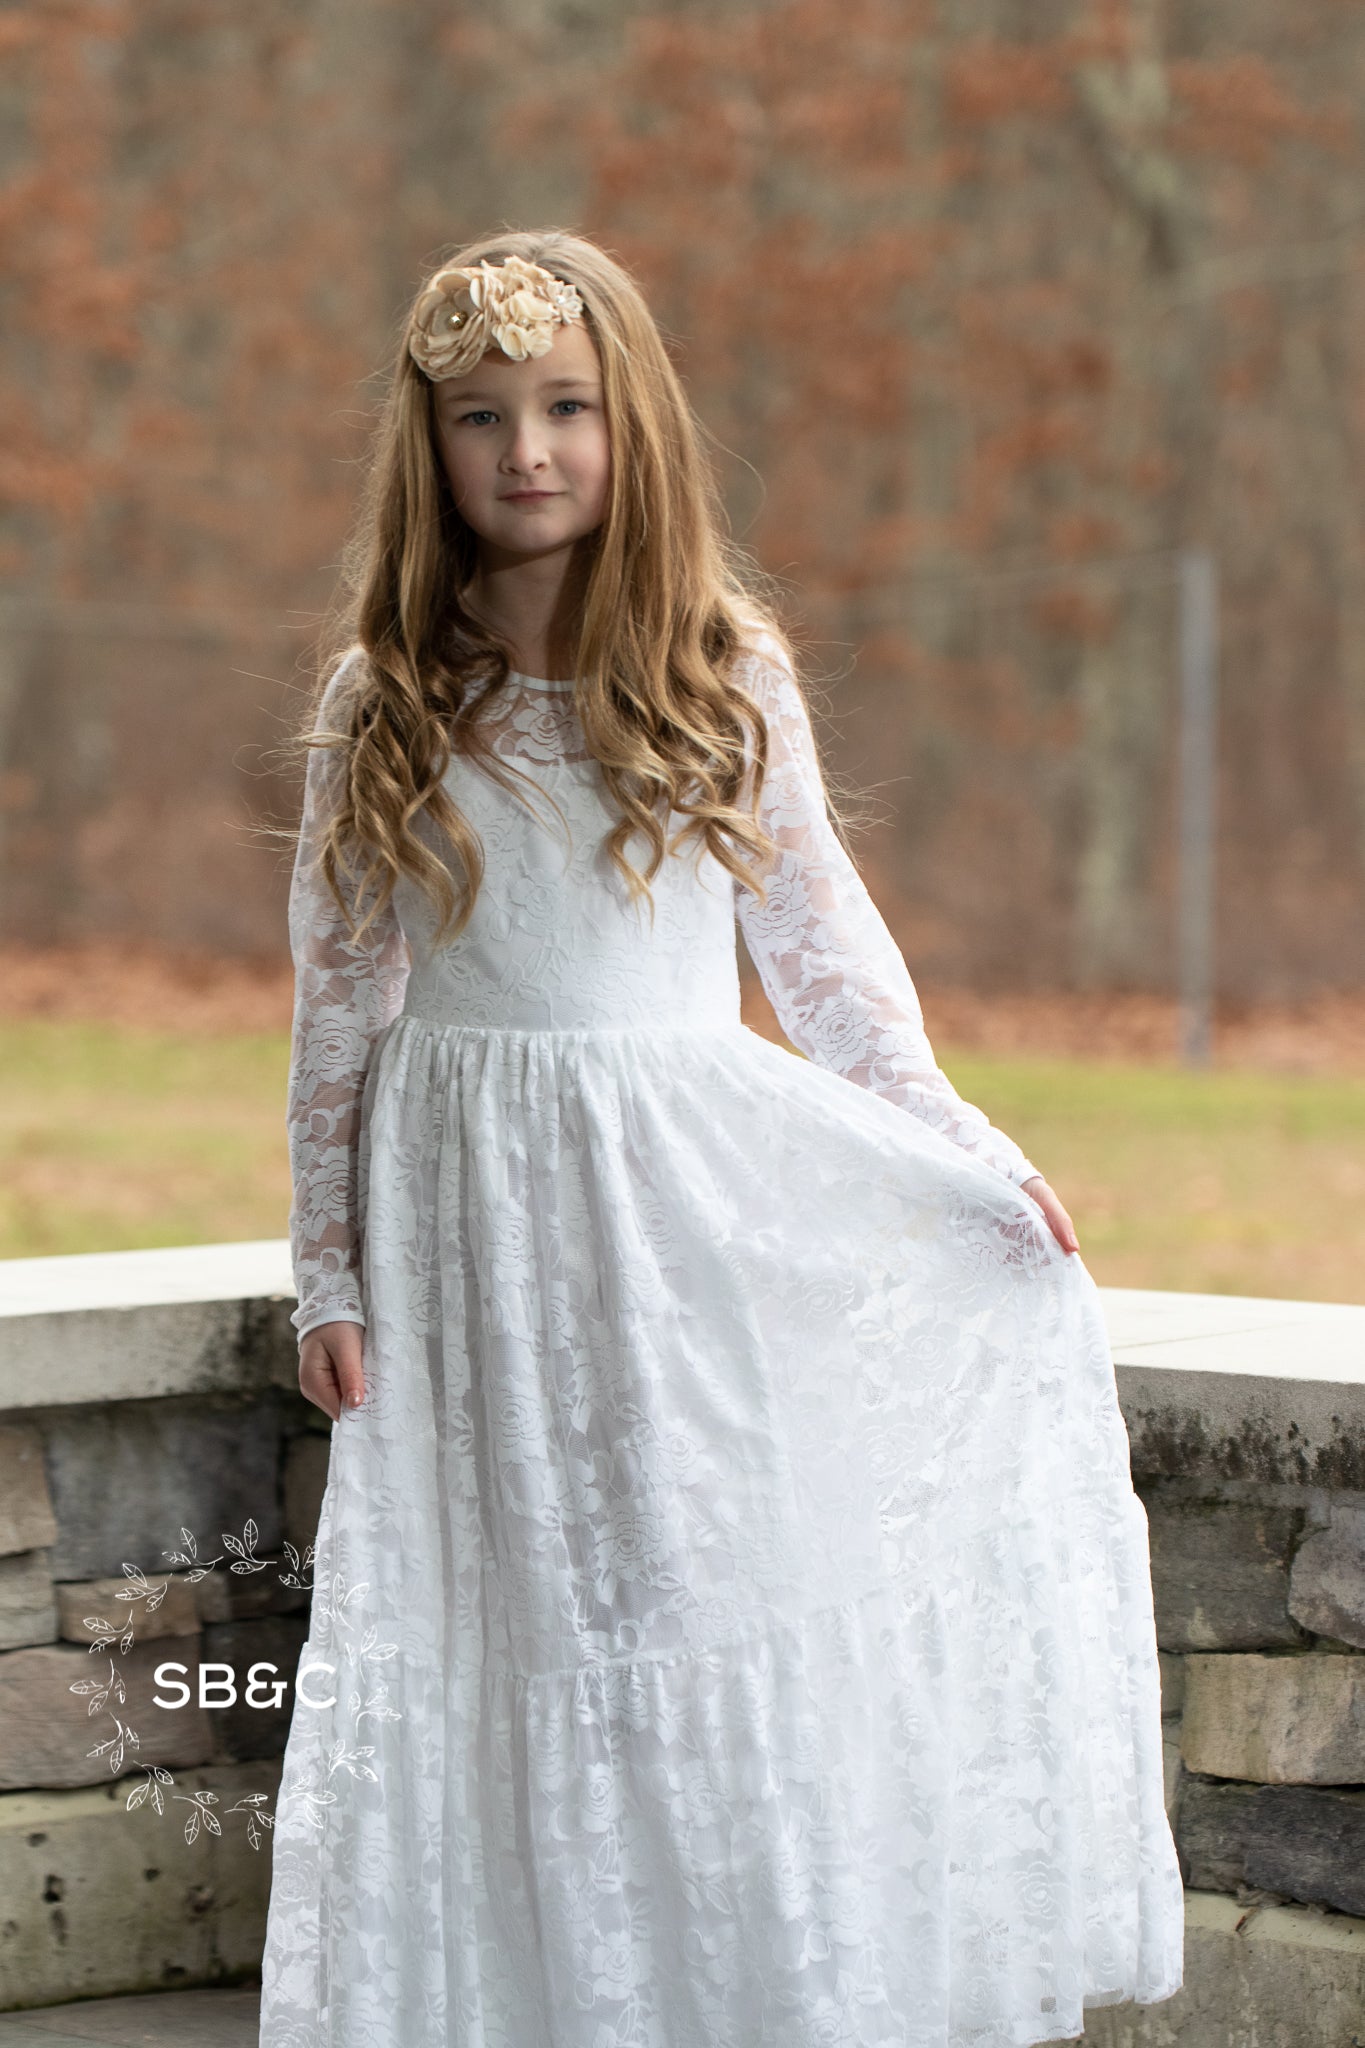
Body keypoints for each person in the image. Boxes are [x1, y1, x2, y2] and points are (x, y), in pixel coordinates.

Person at [258, 228, 1184, 2048]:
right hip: (457, 1224)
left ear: (632, 426)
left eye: (567, 410)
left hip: (665, 1202)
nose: (526, 452)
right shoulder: (386, 702)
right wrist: (325, 1266)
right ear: (426, 445)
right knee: (493, 1612)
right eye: (479, 417)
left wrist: (954, 1142)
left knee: (672, 1582)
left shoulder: (711, 665)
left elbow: (823, 951)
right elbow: (335, 1007)